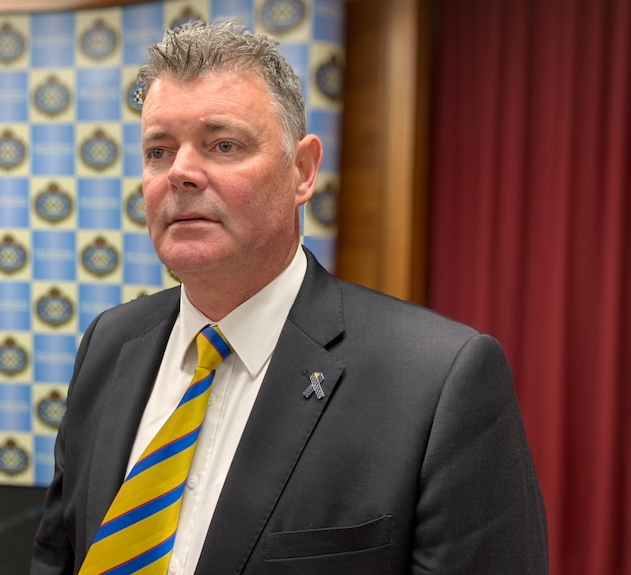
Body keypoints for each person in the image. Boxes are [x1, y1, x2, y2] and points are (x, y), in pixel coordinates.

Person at [31, 20, 548, 575]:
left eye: (222, 144)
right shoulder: (109, 344)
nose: (180, 171)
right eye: (159, 151)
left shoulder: (438, 382)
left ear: (302, 172)